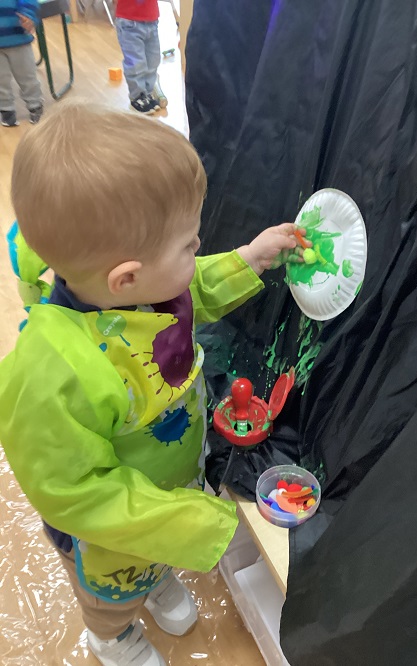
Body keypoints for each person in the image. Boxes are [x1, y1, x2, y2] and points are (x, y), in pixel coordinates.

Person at [0, 102, 308, 666]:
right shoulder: (54, 372)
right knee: (111, 593)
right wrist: (191, 521)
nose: (199, 252)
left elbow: (193, 291)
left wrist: (248, 259)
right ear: (127, 277)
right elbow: (77, 494)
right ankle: (113, 635)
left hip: (165, 491)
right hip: (108, 536)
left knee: (153, 562)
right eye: (190, 245)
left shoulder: (146, 290)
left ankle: (157, 577)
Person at [113, 0, 165, 114]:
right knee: (136, 63)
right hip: (129, 22)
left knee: (153, 60)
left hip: (151, 20)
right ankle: (137, 96)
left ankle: (147, 93)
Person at [0, 0, 43, 127]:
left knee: (27, 76)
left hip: (19, 40)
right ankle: (6, 110)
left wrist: (28, 15)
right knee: (1, 80)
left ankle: (35, 105)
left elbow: (30, 2)